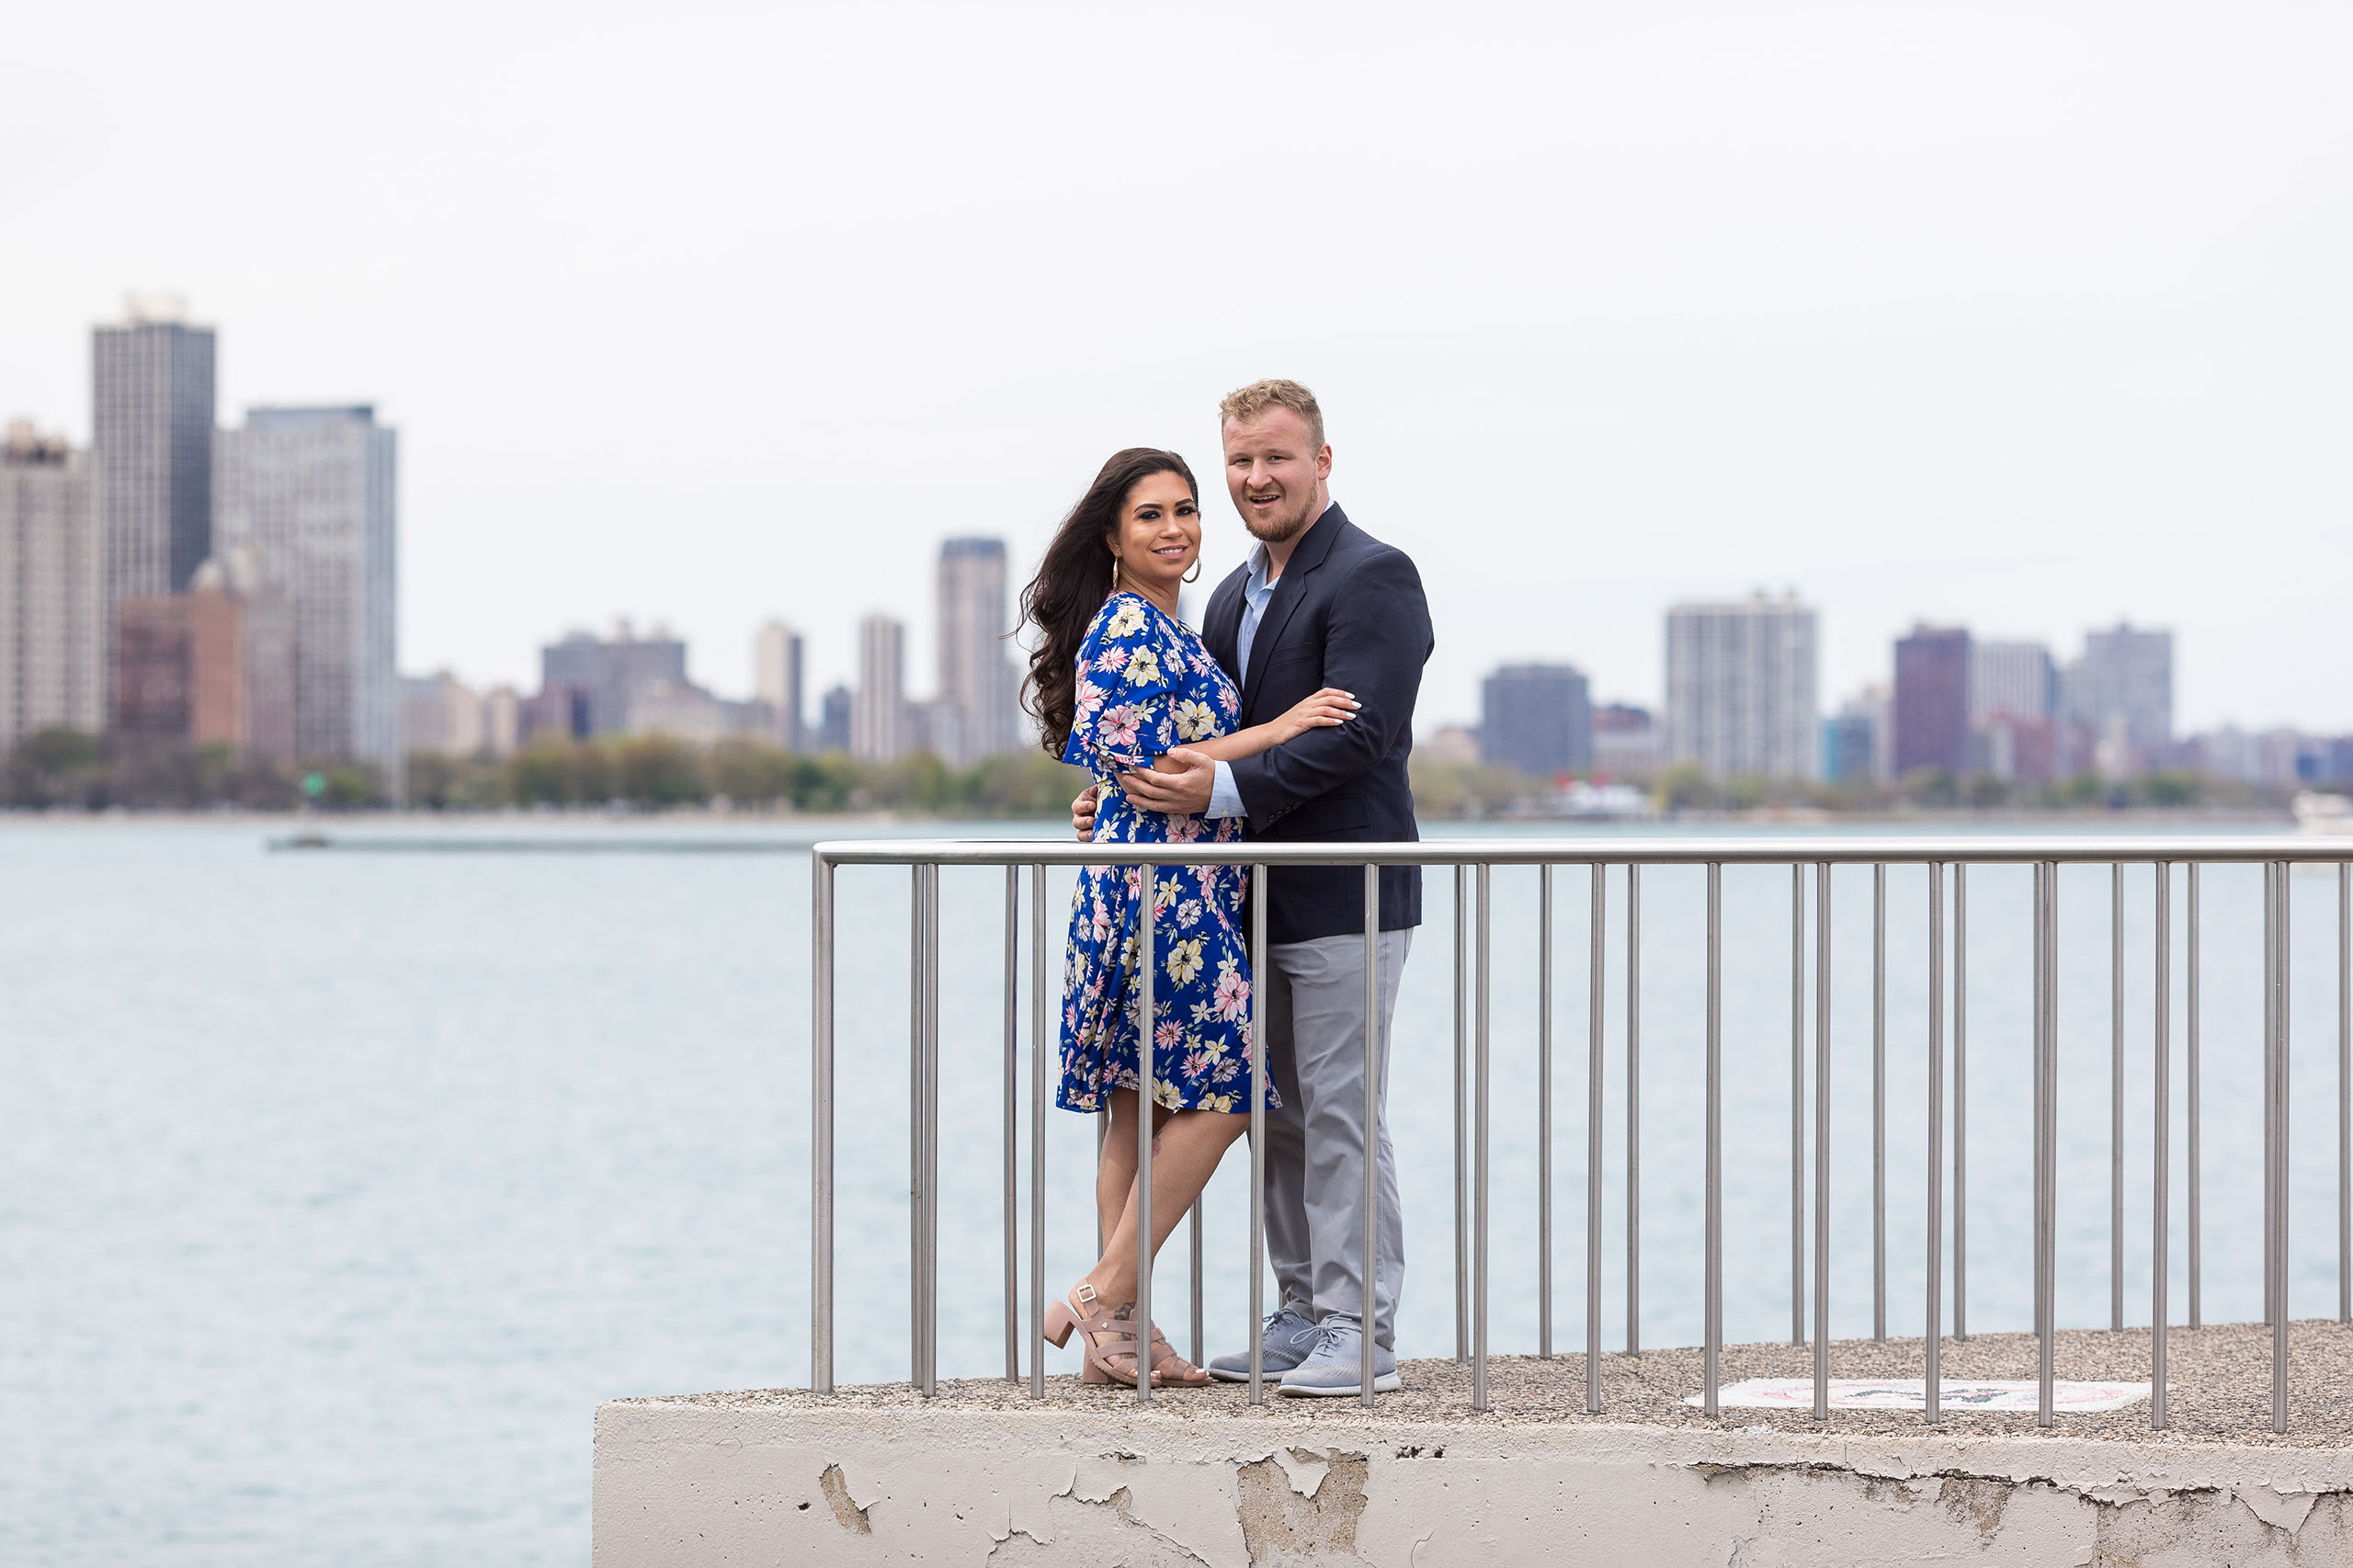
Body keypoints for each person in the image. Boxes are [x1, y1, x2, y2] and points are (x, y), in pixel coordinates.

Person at [1077, 379, 1433, 1397]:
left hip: (1344, 892)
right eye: (1239, 461)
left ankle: (1360, 1330)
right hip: (1243, 903)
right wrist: (1123, 800)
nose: (1256, 478)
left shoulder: (1374, 575)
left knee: (1341, 1111)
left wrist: (1217, 787)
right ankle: (1302, 1313)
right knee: (1275, 1113)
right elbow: (1192, 736)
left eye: (1276, 457)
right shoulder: (1232, 594)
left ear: (1322, 461)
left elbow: (1360, 735)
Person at [1020, 445, 1359, 1389]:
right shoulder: (1129, 624)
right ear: (1112, 536)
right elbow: (1151, 768)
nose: (1175, 529)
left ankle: (1119, 1337)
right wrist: (1280, 728)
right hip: (1158, 896)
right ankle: (1102, 1292)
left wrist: (1103, 799)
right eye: (1150, 515)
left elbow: (1127, 767)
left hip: (1174, 882)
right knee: (1229, 1092)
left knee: (1139, 1106)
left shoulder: (1174, 624)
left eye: (1185, 509)